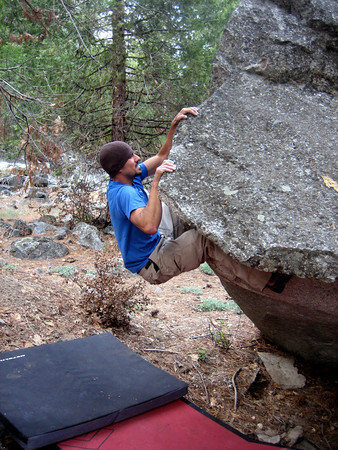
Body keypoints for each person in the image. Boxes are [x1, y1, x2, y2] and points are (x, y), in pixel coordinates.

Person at [99, 108, 287, 293]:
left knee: (193, 212)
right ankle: (270, 281)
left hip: (158, 238)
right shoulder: (124, 193)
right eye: (131, 158)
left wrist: (174, 126)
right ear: (120, 168)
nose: (137, 158)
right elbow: (149, 226)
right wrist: (156, 180)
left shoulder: (130, 175)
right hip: (152, 261)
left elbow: (161, 157)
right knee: (206, 240)